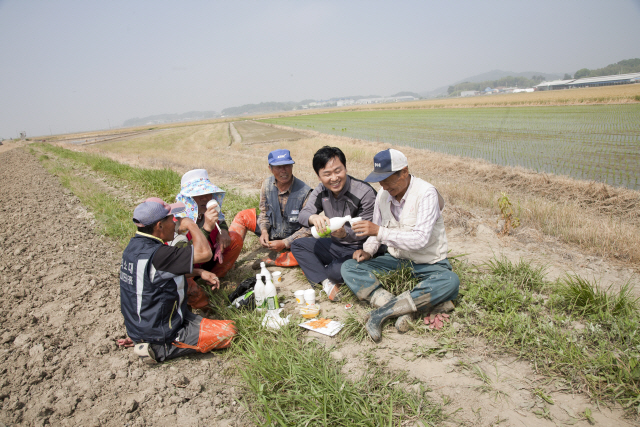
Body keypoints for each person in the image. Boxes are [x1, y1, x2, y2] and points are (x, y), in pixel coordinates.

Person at [341, 149, 460, 342]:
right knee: (349, 267)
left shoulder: (426, 193)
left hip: (429, 264)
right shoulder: (382, 194)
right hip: (396, 260)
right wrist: (368, 251)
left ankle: (380, 314)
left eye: (387, 179)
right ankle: (402, 309)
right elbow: (375, 235)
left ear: (404, 172)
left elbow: (419, 239)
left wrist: (378, 231)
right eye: (380, 179)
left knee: (450, 281)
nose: (383, 185)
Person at [120, 198, 236, 363]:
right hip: (165, 335)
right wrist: (191, 224)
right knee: (229, 330)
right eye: (172, 218)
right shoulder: (159, 254)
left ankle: (141, 339)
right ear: (159, 225)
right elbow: (204, 253)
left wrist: (199, 272)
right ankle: (158, 349)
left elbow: (157, 275)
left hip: (144, 325)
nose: (176, 222)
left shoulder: (134, 247)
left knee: (214, 323)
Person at [291, 146, 377, 301]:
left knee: (335, 271)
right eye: (327, 174)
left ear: (345, 168)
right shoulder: (321, 190)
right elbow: (303, 215)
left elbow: (370, 229)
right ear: (319, 176)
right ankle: (326, 283)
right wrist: (313, 218)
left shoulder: (364, 192)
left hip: (360, 247)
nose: (334, 178)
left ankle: (328, 271)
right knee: (298, 245)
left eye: (338, 171)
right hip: (336, 243)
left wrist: (346, 233)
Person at [172, 169, 244, 308]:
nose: (204, 198)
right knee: (191, 290)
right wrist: (206, 228)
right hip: (188, 269)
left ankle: (215, 277)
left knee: (234, 238)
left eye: (207, 193)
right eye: (197, 195)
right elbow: (183, 258)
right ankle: (203, 306)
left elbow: (221, 219)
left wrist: (223, 230)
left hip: (207, 260)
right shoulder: (177, 222)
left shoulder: (208, 209)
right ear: (187, 199)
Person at [229, 149, 312, 268]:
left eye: (287, 166)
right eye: (278, 167)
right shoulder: (267, 184)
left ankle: (274, 259)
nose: (283, 171)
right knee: (243, 216)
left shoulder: (305, 192)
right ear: (270, 169)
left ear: (292, 166)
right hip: (272, 230)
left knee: (311, 251)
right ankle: (227, 260)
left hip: (293, 238)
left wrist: (285, 242)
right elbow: (264, 212)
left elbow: (308, 229)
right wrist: (263, 230)